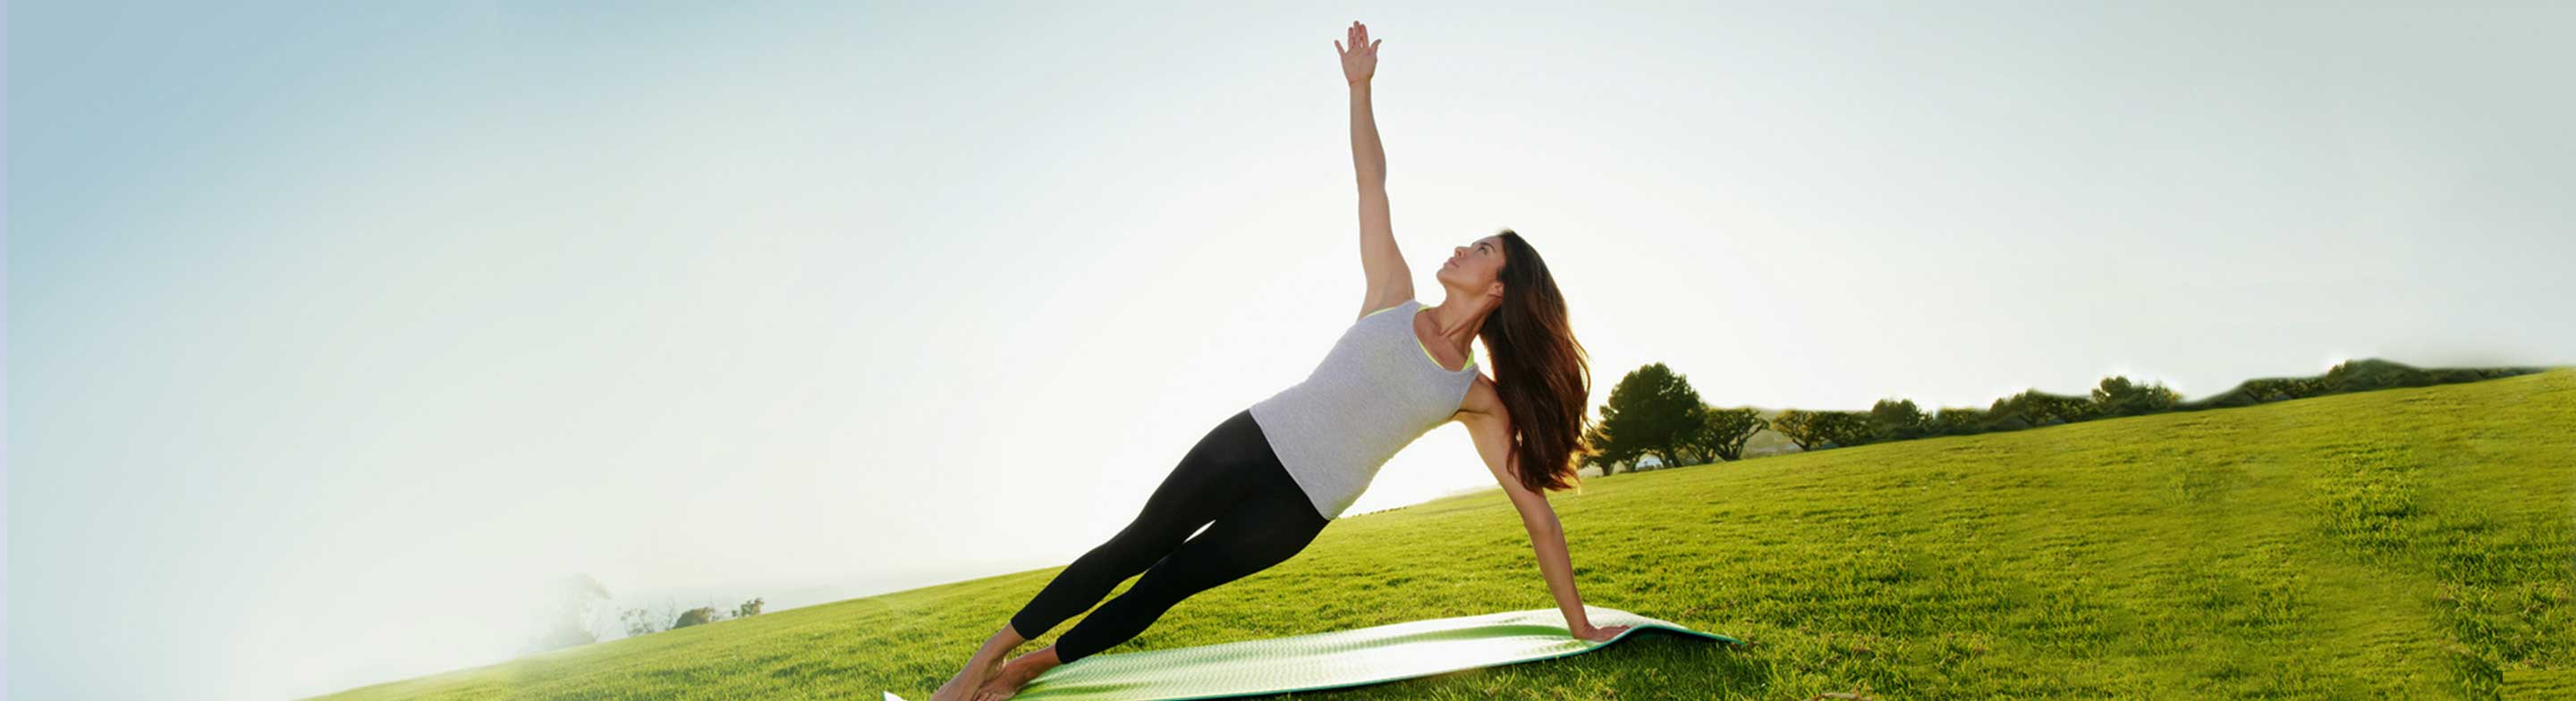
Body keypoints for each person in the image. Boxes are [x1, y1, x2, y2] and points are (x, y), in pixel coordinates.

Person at [933, 21, 1631, 701]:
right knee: (1136, 546)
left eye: (1482, 250)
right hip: (1250, 442)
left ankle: (1028, 668)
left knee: (1167, 584)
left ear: (1500, 289)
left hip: (1300, 509)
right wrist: (1360, 89)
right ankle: (984, 659)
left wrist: (1579, 624)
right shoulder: (1393, 297)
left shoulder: (1476, 396)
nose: (1462, 248)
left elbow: (1537, 517)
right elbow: (1372, 185)